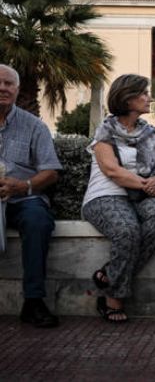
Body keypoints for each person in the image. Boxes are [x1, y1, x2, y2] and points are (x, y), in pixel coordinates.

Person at [82, 74, 155, 323]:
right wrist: (151, 186)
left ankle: (110, 272)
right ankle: (113, 299)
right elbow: (112, 171)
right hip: (106, 195)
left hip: (141, 196)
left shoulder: (149, 132)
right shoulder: (105, 131)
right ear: (127, 98)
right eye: (144, 93)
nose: (149, 98)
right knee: (127, 230)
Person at [0, 64, 62, 328]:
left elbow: (51, 171)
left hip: (22, 198)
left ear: (17, 89)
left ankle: (33, 301)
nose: (3, 88)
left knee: (38, 221)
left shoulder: (35, 126)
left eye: (8, 84)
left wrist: (23, 185)